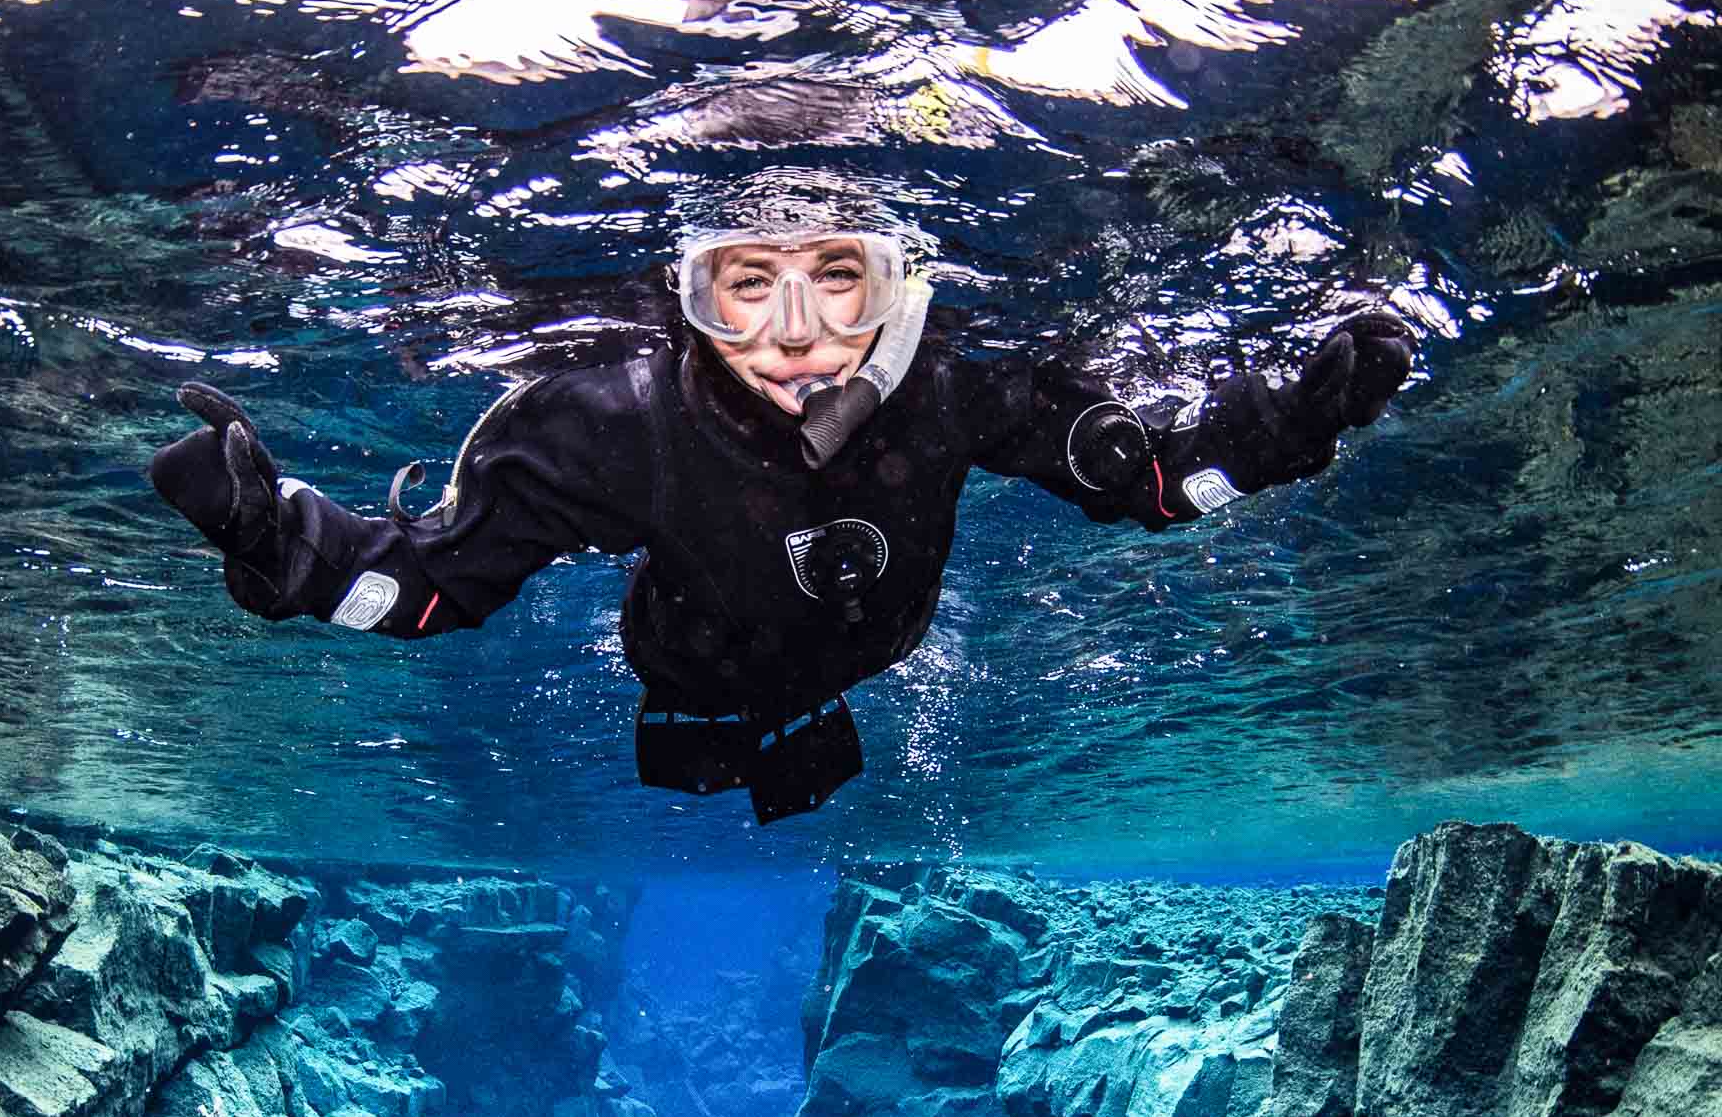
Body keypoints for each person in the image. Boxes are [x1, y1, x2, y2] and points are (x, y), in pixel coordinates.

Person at [149, 188, 1414, 823]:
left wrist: (1283, 427)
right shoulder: (608, 429)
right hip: (684, 665)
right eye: (745, 284)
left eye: (837, 280)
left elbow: (1149, 480)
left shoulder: (960, 383)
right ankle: (719, 732)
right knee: (700, 729)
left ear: (898, 283)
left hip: (869, 649)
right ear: (688, 291)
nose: (797, 338)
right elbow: (434, 589)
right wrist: (284, 545)